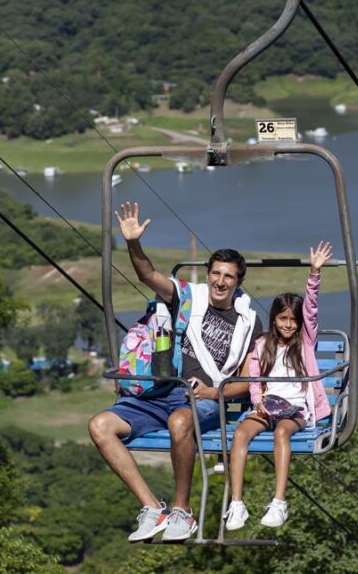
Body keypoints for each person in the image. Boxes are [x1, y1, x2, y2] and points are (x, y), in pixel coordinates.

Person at [88, 202, 264, 542]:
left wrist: (214, 393)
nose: (220, 281)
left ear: (239, 281)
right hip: (159, 393)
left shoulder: (249, 323)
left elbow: (248, 380)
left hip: (204, 401)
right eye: (215, 273)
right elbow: (147, 275)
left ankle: (183, 510)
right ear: (208, 273)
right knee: (99, 426)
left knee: (180, 422)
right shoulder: (186, 297)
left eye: (228, 276)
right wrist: (133, 243)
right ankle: (153, 508)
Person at [224, 240, 333, 530]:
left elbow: (311, 309)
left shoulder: (305, 343)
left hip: (295, 409)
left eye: (293, 321)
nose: (288, 325)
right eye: (282, 319)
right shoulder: (262, 345)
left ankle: (279, 502)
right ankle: (236, 503)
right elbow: (255, 380)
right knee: (240, 434)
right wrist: (258, 400)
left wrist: (314, 274)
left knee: (282, 433)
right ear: (273, 319)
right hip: (267, 407)